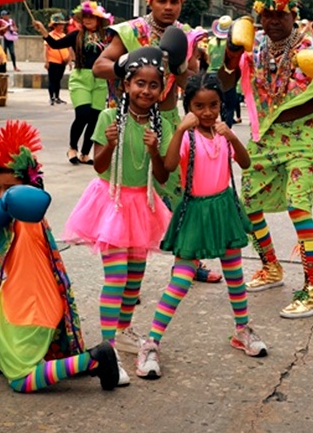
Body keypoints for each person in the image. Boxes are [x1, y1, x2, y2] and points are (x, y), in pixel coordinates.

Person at [0, 120, 120, 392]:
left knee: (20, 380)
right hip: (8, 298)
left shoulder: (28, 220)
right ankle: (6, 350)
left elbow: (34, 204)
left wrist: (22, 198)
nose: (1, 195)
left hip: (32, 310)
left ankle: (93, 360)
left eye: (10, 189)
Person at [219, 0, 313, 318]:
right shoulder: (255, 47)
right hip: (267, 137)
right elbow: (225, 81)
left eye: (280, 14)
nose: (273, 21)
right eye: (267, 14)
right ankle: (271, 267)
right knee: (248, 204)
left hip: (304, 140)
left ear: (293, 14)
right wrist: (231, 51)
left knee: (298, 208)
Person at [135, 72, 267, 379]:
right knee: (180, 281)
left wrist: (232, 135)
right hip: (195, 212)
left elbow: (245, 164)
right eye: (199, 106)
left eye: (213, 105)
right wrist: (180, 130)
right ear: (188, 106)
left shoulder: (223, 133)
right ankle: (151, 343)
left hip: (223, 210)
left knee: (235, 275)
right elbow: (166, 170)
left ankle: (242, 330)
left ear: (221, 104)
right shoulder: (188, 137)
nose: (207, 112)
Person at [92, 0, 218, 285]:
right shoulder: (131, 30)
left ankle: (189, 261)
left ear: (181, 3)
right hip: (129, 120)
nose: (168, 7)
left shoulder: (186, 35)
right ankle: (123, 266)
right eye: (161, 0)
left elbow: (193, 80)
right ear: (151, 1)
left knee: (185, 192)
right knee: (130, 194)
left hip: (169, 120)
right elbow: (99, 67)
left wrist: (183, 68)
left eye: (174, 1)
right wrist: (128, 62)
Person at [62, 46, 177, 384]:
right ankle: (108, 347)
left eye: (153, 85)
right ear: (126, 85)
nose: (145, 90)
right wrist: (110, 144)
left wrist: (156, 148)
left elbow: (163, 176)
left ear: (162, 90)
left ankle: (124, 330)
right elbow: (98, 166)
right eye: (139, 83)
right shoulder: (109, 118)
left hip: (143, 204)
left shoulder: (160, 125)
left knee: (135, 278)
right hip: (110, 203)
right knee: (116, 276)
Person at [33, 1, 113, 165]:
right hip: (80, 78)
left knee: (95, 118)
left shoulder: (107, 37)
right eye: (85, 17)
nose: (88, 20)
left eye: (92, 17)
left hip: (100, 79)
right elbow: (55, 45)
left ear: (99, 20)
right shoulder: (76, 35)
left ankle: (85, 153)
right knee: (82, 114)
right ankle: (72, 148)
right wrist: (42, 29)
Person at [207, 15, 238, 127]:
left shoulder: (211, 42)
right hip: (225, 75)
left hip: (210, 75)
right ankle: (226, 131)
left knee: (213, 105)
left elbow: (208, 59)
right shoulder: (231, 44)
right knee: (229, 106)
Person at [43, 12, 70, 106]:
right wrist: (46, 61)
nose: (62, 26)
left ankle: (57, 97)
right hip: (52, 61)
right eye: (60, 24)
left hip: (63, 62)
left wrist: (69, 60)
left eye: (63, 24)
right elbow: (46, 49)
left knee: (58, 79)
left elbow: (69, 49)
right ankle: (51, 97)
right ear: (55, 25)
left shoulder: (64, 35)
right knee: (52, 80)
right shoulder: (50, 36)